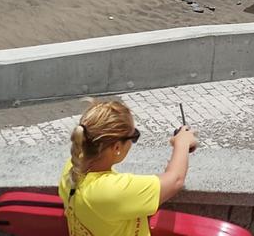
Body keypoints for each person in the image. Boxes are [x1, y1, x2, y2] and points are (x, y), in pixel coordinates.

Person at [58, 99, 198, 236]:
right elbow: (176, 180)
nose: (133, 140)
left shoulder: (72, 167)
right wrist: (183, 142)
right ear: (117, 147)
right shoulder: (110, 191)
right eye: (134, 136)